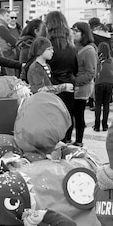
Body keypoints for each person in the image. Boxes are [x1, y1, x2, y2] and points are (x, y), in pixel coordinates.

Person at [45, 11, 78, 143]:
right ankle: (66, 142)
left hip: (51, 84)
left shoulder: (46, 46)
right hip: (69, 85)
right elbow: (76, 69)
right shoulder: (71, 46)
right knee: (67, 117)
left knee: (52, 118)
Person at [71, 21, 98, 145]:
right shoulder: (73, 47)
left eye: (76, 31)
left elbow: (90, 73)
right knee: (70, 115)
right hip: (72, 87)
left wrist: (74, 82)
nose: (73, 33)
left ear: (84, 33)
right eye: (73, 30)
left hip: (81, 88)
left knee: (78, 115)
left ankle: (79, 141)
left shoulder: (89, 50)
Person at [93, 41, 113, 131]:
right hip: (110, 82)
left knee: (98, 104)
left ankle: (97, 126)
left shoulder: (97, 60)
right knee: (106, 104)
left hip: (99, 82)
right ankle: (105, 125)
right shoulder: (112, 61)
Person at [0, 9, 19, 75]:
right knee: (10, 76)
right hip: (6, 54)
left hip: (1, 53)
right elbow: (14, 41)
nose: (9, 18)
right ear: (1, 16)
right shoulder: (1, 27)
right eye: (7, 16)